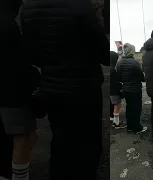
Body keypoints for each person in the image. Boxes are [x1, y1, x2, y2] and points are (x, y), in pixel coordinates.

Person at [19, 0, 109, 179]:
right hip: (85, 90)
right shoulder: (80, 6)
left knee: (60, 144)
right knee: (88, 146)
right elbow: (104, 54)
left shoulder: (28, 9)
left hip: (52, 90)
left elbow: (32, 55)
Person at [0, 1, 40, 180]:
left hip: (6, 93)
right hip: (13, 94)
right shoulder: (7, 24)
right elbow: (19, 63)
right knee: (23, 138)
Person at [116, 43, 147, 134]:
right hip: (135, 89)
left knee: (129, 108)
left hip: (126, 89)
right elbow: (142, 78)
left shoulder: (119, 63)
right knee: (136, 109)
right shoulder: (135, 62)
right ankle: (137, 128)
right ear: (131, 51)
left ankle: (129, 127)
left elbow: (119, 78)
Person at [110, 51, 126, 129]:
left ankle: (114, 120)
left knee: (115, 105)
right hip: (114, 91)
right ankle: (116, 123)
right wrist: (120, 89)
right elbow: (115, 82)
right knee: (117, 106)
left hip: (110, 91)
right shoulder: (113, 69)